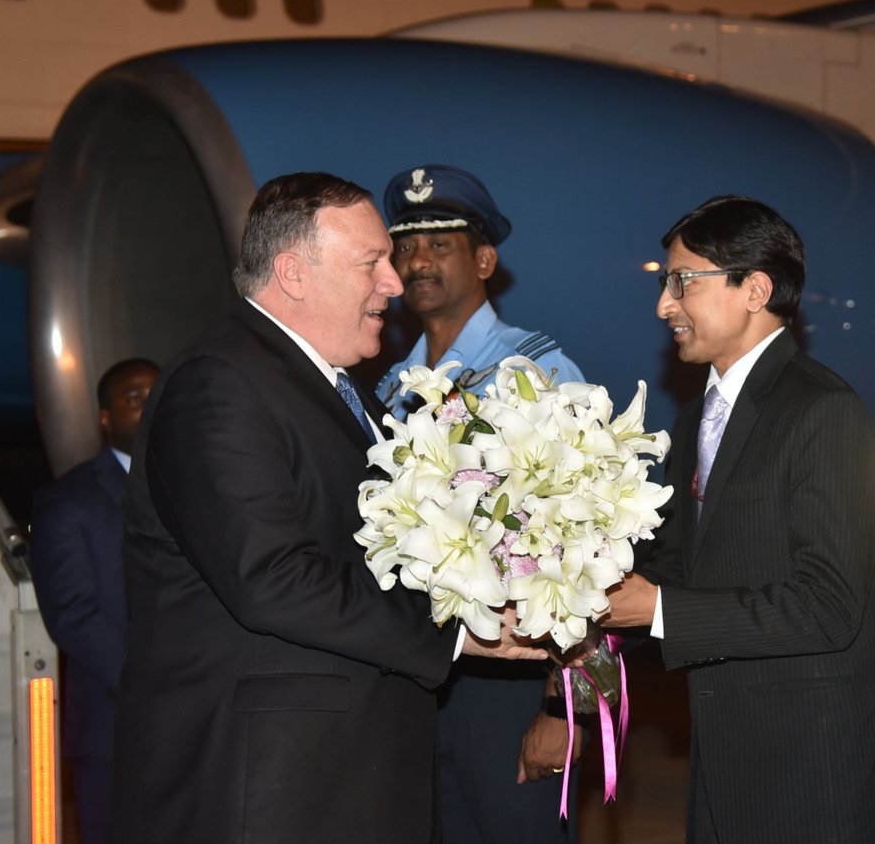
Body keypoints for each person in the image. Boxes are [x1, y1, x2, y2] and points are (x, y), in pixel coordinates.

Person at [112, 172, 543, 844]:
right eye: (372, 262)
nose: (394, 282)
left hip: (340, 775)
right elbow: (272, 577)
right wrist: (459, 631)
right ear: (294, 273)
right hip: (270, 789)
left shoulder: (338, 388)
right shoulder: (219, 385)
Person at [604, 194, 875, 844]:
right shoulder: (694, 421)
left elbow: (829, 606)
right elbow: (679, 567)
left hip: (815, 774)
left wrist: (657, 610)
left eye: (682, 282)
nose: (664, 305)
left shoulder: (823, 411)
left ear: (755, 289)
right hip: (724, 762)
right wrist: (574, 596)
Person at [377, 163, 587, 841]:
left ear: (485, 261)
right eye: (406, 246)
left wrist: (563, 709)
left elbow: (587, 543)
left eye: (440, 245)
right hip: (418, 674)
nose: (418, 261)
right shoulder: (392, 388)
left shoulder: (534, 370)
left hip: (511, 677)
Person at [30, 357, 157, 844]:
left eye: (158, 395)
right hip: (114, 726)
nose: (149, 407)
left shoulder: (196, 486)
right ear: (105, 417)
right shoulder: (68, 499)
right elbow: (72, 613)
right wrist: (155, 684)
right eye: (134, 399)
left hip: (199, 726)